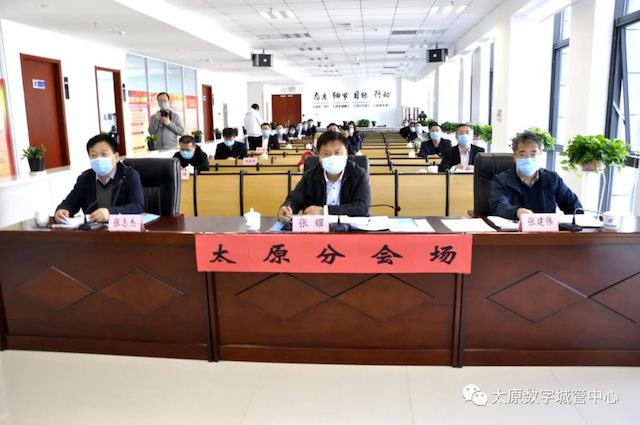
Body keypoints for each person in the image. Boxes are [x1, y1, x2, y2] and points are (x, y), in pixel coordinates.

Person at [278, 131, 370, 221]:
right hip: (317, 228)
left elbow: (362, 207)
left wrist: (324, 211)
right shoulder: (310, 176)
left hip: (351, 229)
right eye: (326, 154)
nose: (332, 157)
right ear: (319, 157)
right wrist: (287, 208)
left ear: (346, 155)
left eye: (337, 153)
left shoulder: (359, 174)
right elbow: (295, 199)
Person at [490, 131, 582, 220]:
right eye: (523, 155)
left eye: (533, 154)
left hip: (547, 229)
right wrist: (517, 212)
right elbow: (498, 206)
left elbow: (574, 206)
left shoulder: (552, 179)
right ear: (515, 157)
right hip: (515, 230)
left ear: (540, 155)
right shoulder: (502, 180)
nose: (529, 159)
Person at [54, 134, 144, 224]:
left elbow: (138, 206)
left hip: (122, 229)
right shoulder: (85, 178)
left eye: (104, 154)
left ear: (116, 157)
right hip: (94, 230)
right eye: (93, 155)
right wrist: (63, 210)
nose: (98, 159)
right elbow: (70, 202)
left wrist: (110, 213)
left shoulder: (129, 176)